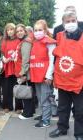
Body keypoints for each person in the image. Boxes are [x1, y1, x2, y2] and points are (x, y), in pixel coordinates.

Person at [49, 12, 83, 140]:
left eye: (73, 20)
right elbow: (54, 57)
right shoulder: (59, 37)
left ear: (77, 21)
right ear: (63, 23)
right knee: (63, 108)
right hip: (63, 80)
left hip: (79, 82)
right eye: (67, 21)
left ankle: (79, 133)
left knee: (80, 110)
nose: (70, 23)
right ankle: (62, 128)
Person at [30, 20, 56, 128]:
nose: (37, 32)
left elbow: (52, 60)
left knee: (45, 99)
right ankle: (43, 115)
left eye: (40, 30)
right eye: (35, 30)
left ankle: (46, 121)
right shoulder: (35, 42)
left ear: (45, 30)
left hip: (45, 77)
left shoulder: (49, 42)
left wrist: (49, 75)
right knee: (41, 98)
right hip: (36, 75)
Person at [1, 23, 23, 113]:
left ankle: (18, 107)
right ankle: (7, 106)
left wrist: (11, 58)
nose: (10, 31)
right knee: (7, 88)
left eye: (11, 29)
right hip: (7, 67)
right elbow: (2, 52)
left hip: (16, 67)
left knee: (17, 87)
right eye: (8, 30)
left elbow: (18, 52)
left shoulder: (19, 40)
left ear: (15, 30)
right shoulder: (4, 41)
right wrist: (4, 58)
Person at [15, 24, 35, 119]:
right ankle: (30, 110)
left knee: (26, 92)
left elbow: (26, 59)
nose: (19, 33)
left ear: (25, 31)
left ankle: (28, 113)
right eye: (17, 31)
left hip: (25, 72)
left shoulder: (26, 42)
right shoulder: (23, 41)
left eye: (21, 30)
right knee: (28, 91)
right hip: (24, 71)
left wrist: (23, 73)